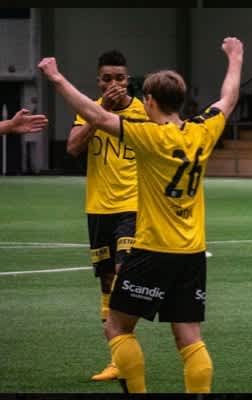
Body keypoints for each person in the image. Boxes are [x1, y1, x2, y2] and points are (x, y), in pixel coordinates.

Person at [38, 36, 243, 393]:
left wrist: (56, 79)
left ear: (148, 101)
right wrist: (235, 59)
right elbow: (228, 99)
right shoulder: (203, 129)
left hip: (152, 250)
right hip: (192, 253)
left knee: (116, 327)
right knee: (190, 339)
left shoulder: (148, 137)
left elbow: (95, 114)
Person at [66, 49, 148, 382]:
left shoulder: (144, 111)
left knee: (123, 272)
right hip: (99, 208)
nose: (114, 83)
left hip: (133, 205)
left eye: (120, 78)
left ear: (128, 80)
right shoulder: (89, 109)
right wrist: (100, 113)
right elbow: (73, 147)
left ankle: (128, 351)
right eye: (107, 78)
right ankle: (118, 359)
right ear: (98, 81)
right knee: (107, 281)